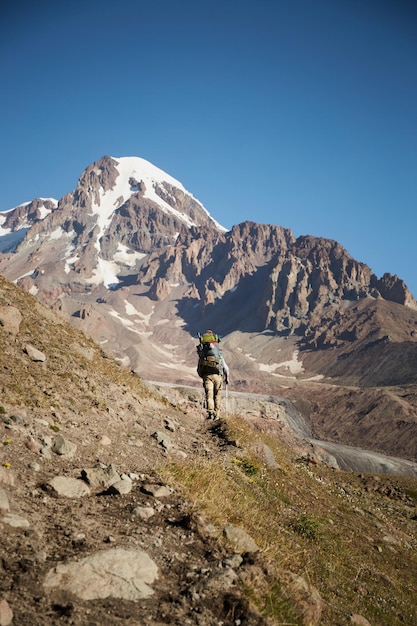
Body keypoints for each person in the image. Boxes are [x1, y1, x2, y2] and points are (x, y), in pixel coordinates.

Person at [197, 330, 229, 420]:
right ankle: (217, 415)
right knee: (217, 396)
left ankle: (210, 412)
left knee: (209, 395)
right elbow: (226, 368)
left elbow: (199, 368)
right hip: (218, 377)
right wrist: (227, 378)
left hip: (207, 376)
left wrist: (203, 376)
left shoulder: (203, 355)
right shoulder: (218, 355)